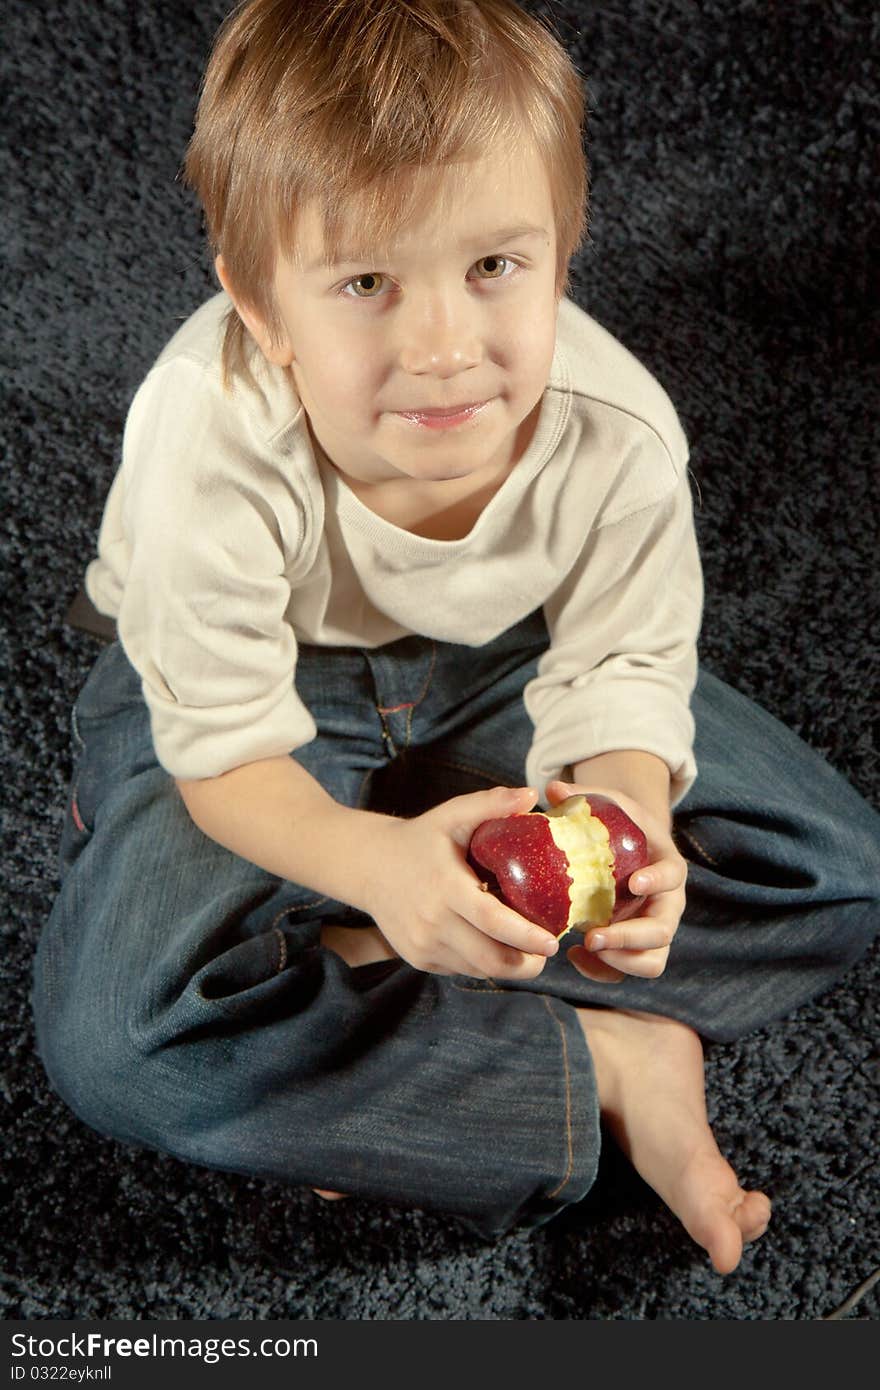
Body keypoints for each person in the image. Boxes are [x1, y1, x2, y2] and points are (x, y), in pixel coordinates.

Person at [33, 0, 879, 1277]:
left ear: (562, 250)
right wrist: (368, 861)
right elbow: (221, 752)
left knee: (836, 878)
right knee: (115, 1035)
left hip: (497, 662)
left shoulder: (619, 434)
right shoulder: (201, 439)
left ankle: (345, 993)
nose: (442, 349)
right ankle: (601, 1057)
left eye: (494, 267)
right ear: (260, 309)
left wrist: (622, 831)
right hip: (260, 698)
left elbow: (620, 673)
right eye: (367, 283)